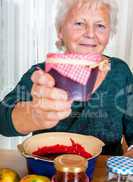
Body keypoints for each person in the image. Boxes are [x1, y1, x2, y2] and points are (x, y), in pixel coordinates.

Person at [0, 0, 133, 156]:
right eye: (79, 23)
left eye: (100, 26)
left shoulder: (120, 71)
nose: (90, 33)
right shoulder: (42, 73)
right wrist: (33, 115)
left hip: (104, 175)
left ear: (109, 33)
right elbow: (2, 121)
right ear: (60, 30)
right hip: (49, 172)